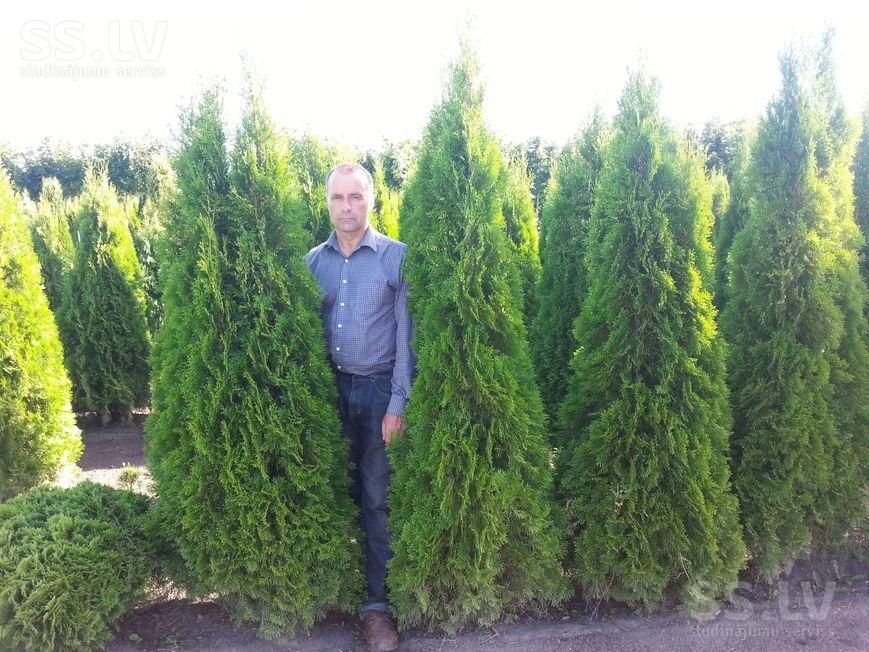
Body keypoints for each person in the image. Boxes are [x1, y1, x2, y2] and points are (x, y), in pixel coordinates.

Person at [304, 162, 413, 652]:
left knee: (376, 499)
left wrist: (398, 403)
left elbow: (407, 337)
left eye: (356, 197)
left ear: (372, 199)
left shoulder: (395, 259)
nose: (346, 207)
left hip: (378, 394)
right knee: (330, 494)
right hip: (328, 393)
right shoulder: (313, 263)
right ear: (327, 202)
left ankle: (376, 607)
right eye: (337, 197)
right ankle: (331, 590)